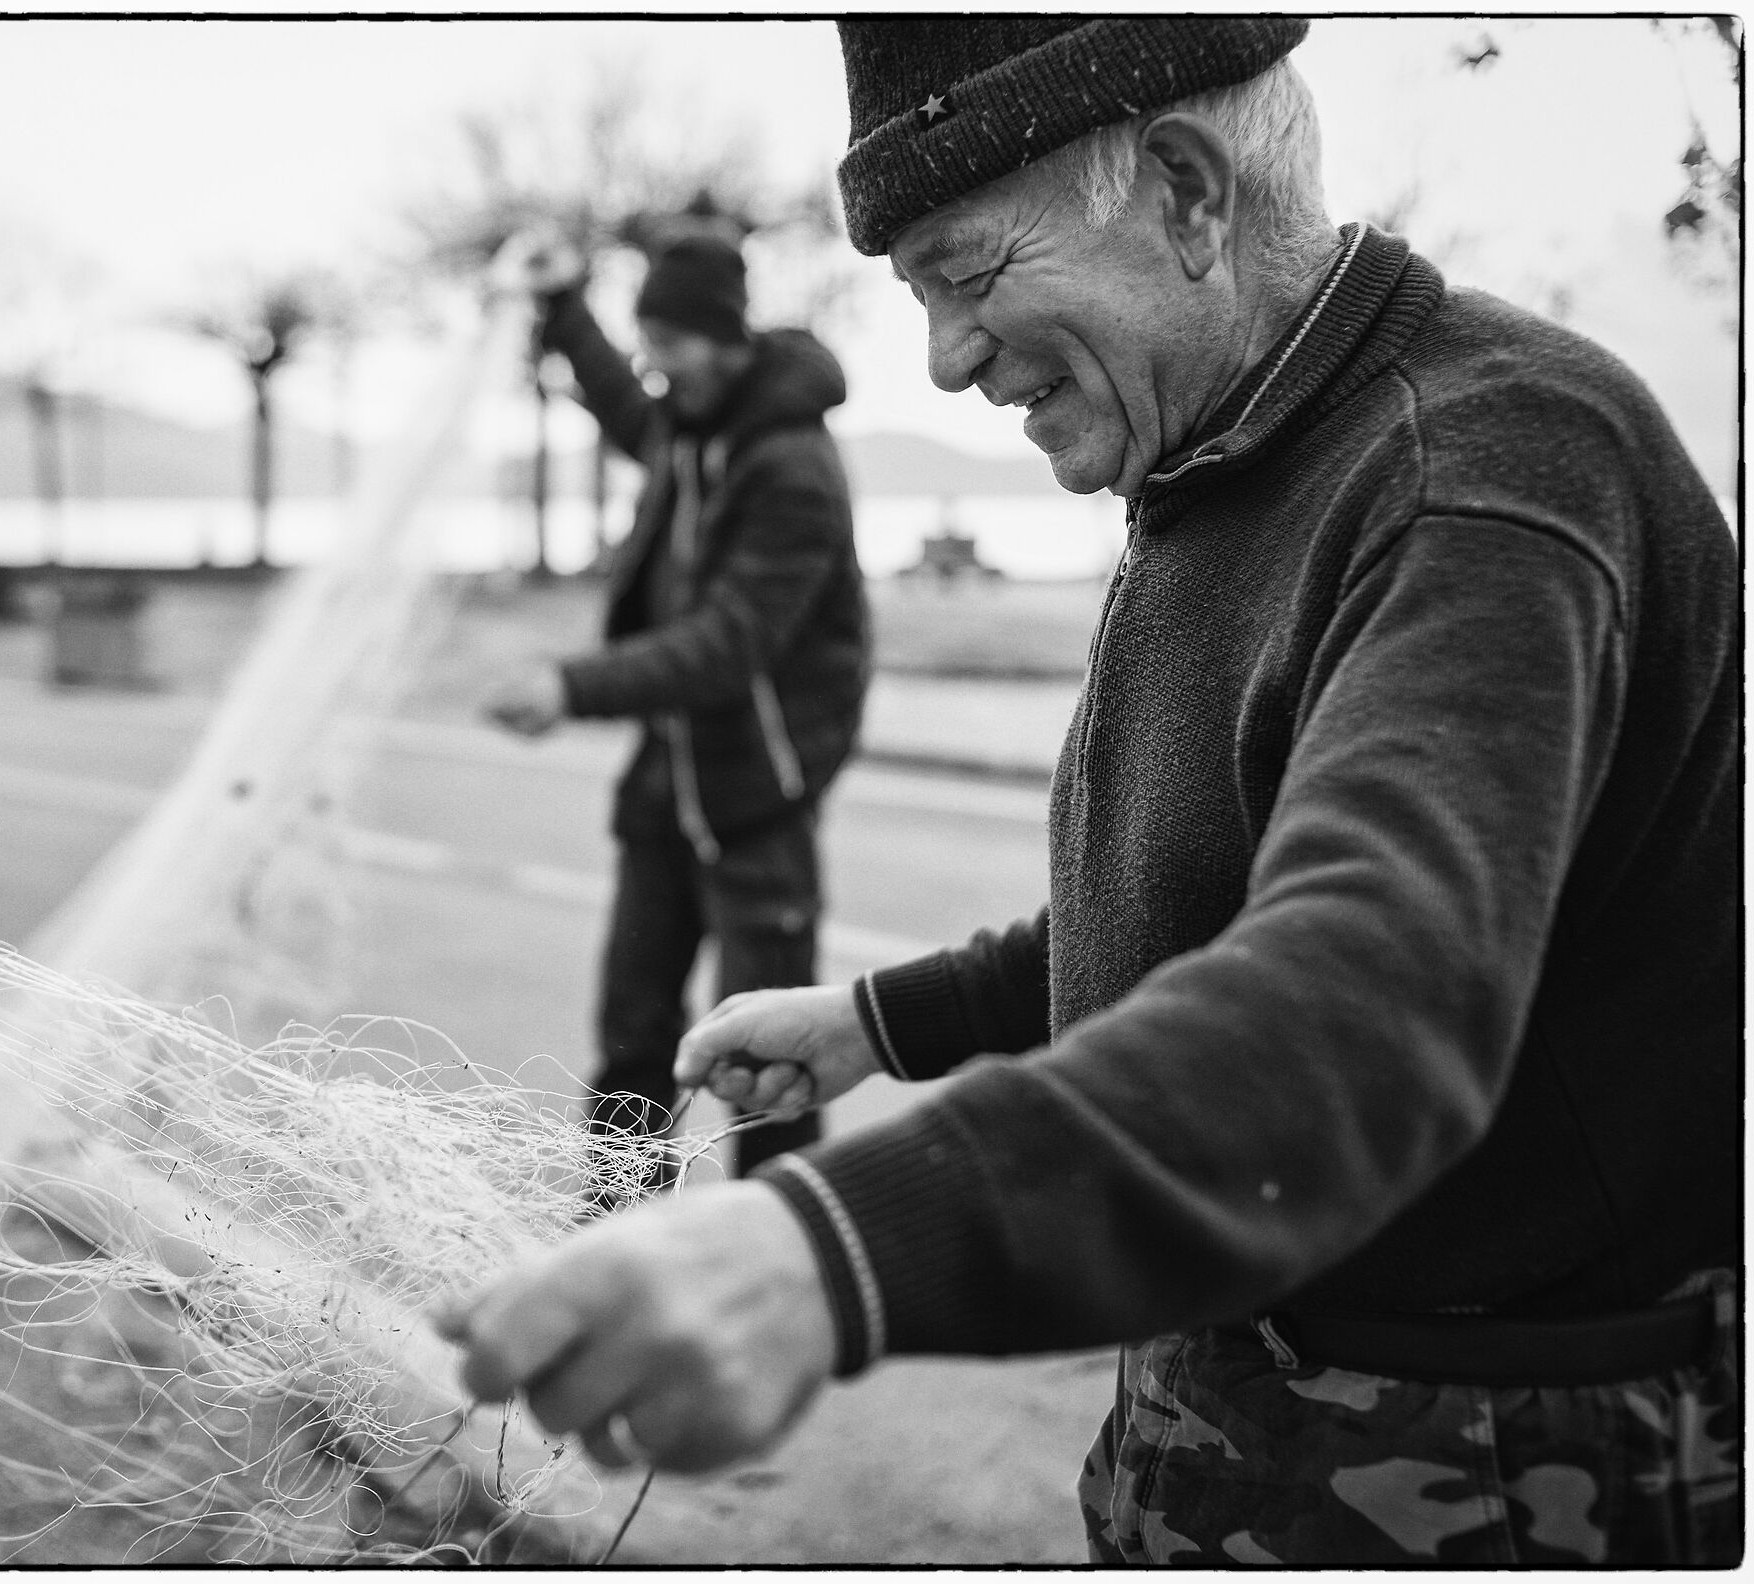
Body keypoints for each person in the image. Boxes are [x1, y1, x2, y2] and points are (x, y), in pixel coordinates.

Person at [440, 17, 1741, 1567]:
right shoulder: (1223, 452)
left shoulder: (1489, 470)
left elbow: (1360, 999)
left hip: (1482, 1460)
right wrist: (886, 1019)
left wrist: (834, 1249)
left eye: (965, 275)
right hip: (1229, 1398)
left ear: (1187, 194)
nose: (943, 359)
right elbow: (1221, 903)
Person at [479, 227, 871, 1193]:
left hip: (758, 801)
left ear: (725, 339)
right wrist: (566, 305)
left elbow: (731, 643)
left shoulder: (791, 468)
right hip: (665, 791)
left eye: (671, 341)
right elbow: (619, 398)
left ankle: (773, 1269)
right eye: (646, 338)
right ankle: (612, 1254)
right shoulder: (685, 429)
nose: (653, 363)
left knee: (765, 1070)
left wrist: (572, 685)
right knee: (634, 1042)